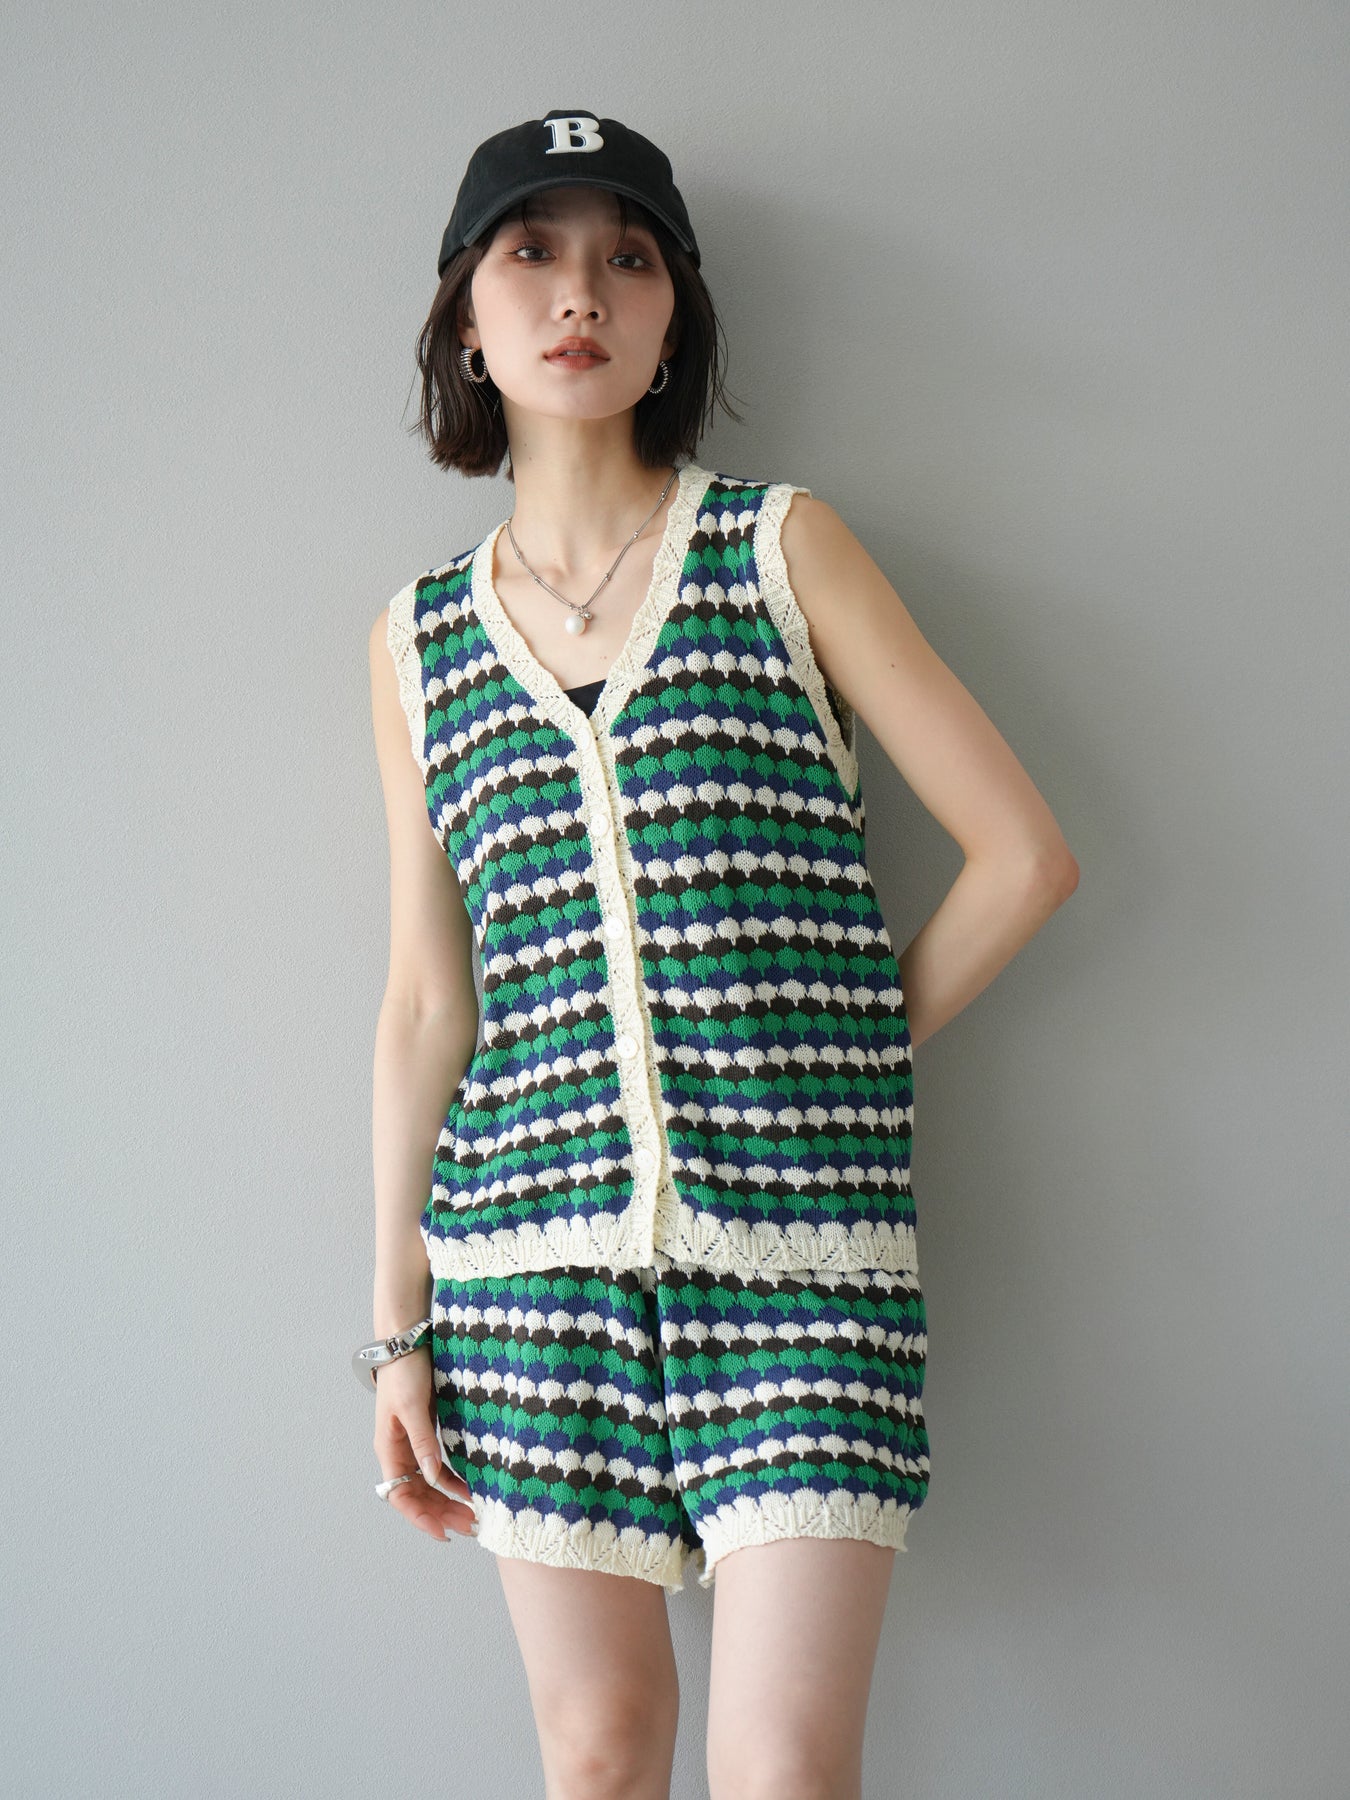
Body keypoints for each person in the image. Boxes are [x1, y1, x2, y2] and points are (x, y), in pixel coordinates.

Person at [360, 109, 1079, 1800]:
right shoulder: (418, 640)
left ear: (675, 317)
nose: (579, 293)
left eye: (629, 257)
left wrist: (829, 1059)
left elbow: (1023, 859)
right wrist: (395, 1329)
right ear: (464, 318)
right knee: (599, 1752)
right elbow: (425, 1000)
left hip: (804, 1261)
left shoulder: (777, 547)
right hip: (523, 1268)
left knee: (781, 1767)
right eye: (530, 253)